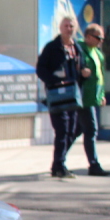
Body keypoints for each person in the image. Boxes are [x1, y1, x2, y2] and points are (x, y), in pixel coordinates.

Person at [35, 16, 84, 179]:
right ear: (60, 28)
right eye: (66, 26)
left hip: (72, 94)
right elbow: (40, 69)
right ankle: (60, 165)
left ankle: (58, 164)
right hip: (57, 94)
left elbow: (80, 68)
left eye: (71, 26)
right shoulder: (52, 47)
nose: (69, 29)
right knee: (62, 130)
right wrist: (55, 80)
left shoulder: (76, 47)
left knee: (72, 130)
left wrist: (84, 74)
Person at [80, 22, 110, 176]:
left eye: (102, 38)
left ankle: (59, 160)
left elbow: (100, 76)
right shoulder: (80, 49)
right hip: (83, 96)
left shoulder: (97, 53)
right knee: (91, 129)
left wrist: (102, 95)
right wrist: (81, 72)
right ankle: (94, 165)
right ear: (88, 37)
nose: (101, 41)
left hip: (94, 96)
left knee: (78, 130)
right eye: (98, 37)